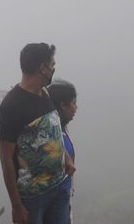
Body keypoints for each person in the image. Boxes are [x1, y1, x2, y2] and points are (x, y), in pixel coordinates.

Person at [0, 43, 76, 224]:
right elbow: (5, 158)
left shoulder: (45, 93)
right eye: (52, 65)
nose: (54, 69)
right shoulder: (12, 105)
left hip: (60, 186)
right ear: (43, 68)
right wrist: (16, 206)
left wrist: (66, 158)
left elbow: (52, 131)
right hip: (33, 197)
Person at [47, 79, 78, 224]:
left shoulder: (63, 129)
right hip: (48, 202)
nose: (76, 108)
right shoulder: (47, 133)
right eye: (73, 103)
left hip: (63, 200)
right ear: (62, 105)